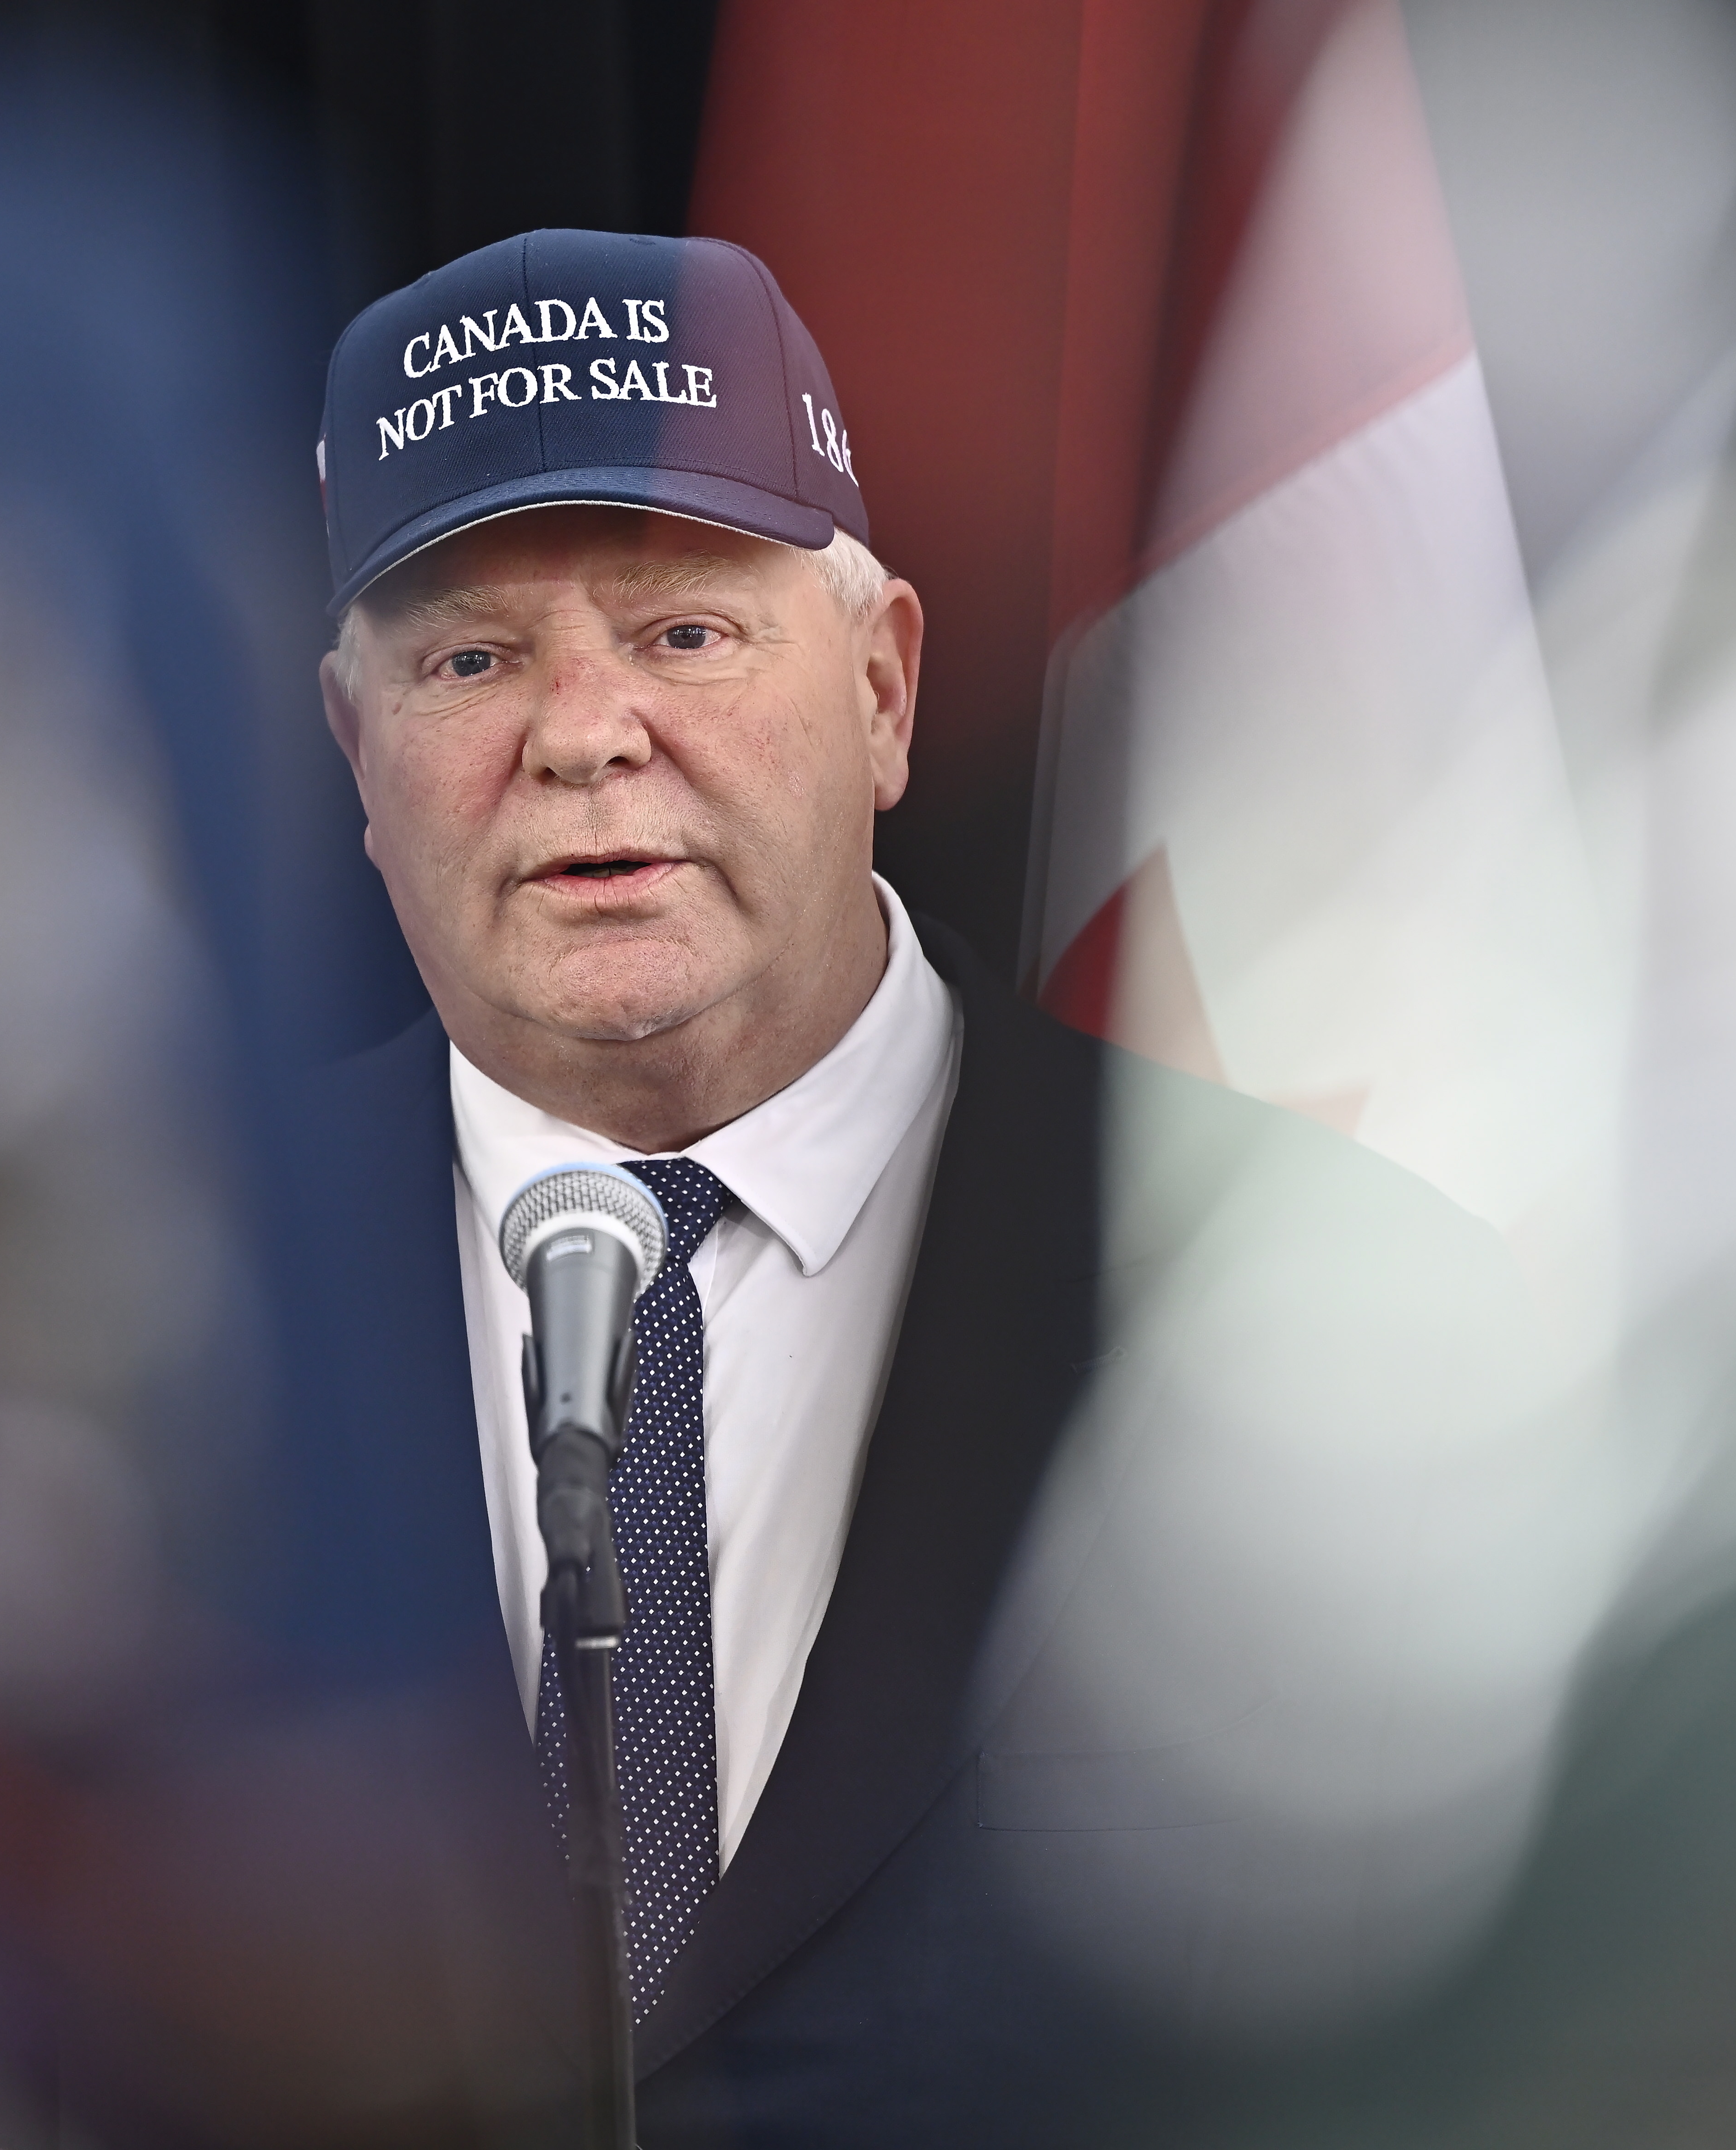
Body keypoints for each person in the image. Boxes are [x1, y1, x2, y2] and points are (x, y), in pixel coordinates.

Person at [125, 229, 1536, 2150]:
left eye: (684, 631)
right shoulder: (147, 1325)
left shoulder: (1292, 1303)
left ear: (880, 690)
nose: (584, 732)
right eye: (468, 655)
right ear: (351, 756)